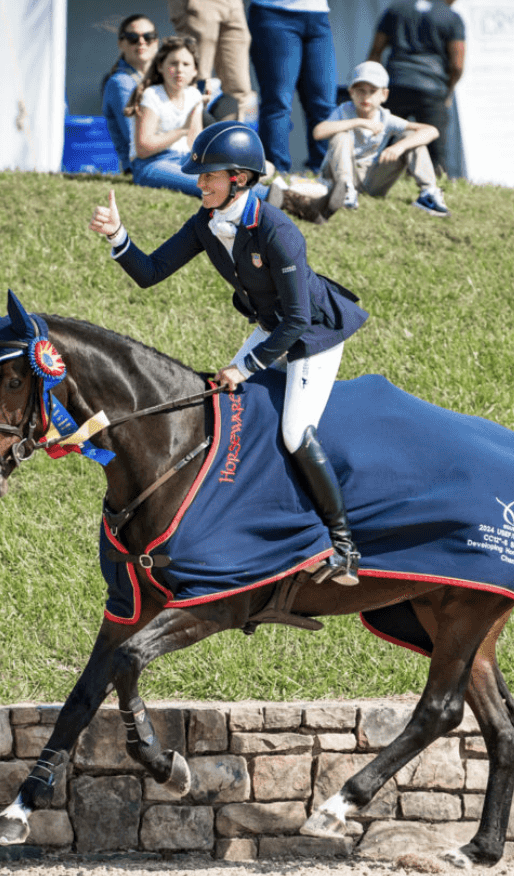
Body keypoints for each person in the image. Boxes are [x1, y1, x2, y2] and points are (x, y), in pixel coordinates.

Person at [88, 121, 368, 585]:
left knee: (296, 432)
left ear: (238, 179)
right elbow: (151, 271)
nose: (199, 183)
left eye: (208, 177)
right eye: (200, 176)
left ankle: (343, 548)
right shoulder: (206, 223)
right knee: (225, 406)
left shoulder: (278, 231)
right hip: (273, 326)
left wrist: (246, 366)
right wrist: (118, 235)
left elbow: (298, 320)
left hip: (313, 333)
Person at [311, 61, 449, 218]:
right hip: (340, 175)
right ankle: (345, 190)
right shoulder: (343, 111)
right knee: (341, 135)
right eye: (361, 91)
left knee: (411, 137)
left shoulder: (386, 118)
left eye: (372, 91)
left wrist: (399, 147)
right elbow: (318, 132)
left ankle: (428, 193)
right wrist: (359, 122)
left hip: (372, 179)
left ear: (384, 95)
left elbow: (431, 131)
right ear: (351, 92)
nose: (366, 97)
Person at [367, 0, 466, 178]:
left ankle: (368, 180)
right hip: (432, 87)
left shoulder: (395, 9)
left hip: (395, 83)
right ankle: (434, 191)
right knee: (435, 151)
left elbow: (376, 51)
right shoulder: (451, 17)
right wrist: (448, 91)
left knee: (379, 140)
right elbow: (457, 65)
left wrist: (374, 87)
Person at [248, 0, 338, 176]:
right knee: (278, 102)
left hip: (318, 15)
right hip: (274, 13)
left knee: (324, 103)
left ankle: (323, 172)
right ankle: (277, 173)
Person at [127, 36, 207, 196]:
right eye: (173, 63)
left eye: (186, 64)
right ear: (160, 67)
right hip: (152, 164)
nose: (179, 69)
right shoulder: (152, 95)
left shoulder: (194, 95)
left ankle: (268, 195)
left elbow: (195, 146)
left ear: (195, 71)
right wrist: (181, 131)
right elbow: (143, 148)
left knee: (227, 176)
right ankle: (263, 197)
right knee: (206, 185)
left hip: (185, 159)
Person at [169, 0, 254, 121]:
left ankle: (231, 137)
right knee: (197, 85)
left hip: (233, 4)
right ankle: (193, 137)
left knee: (239, 89)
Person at [103, 15, 160, 176]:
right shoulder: (121, 83)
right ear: (121, 43)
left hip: (166, 158)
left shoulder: (161, 80)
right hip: (143, 166)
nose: (142, 42)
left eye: (148, 37)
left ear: (156, 42)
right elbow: (135, 138)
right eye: (133, 38)